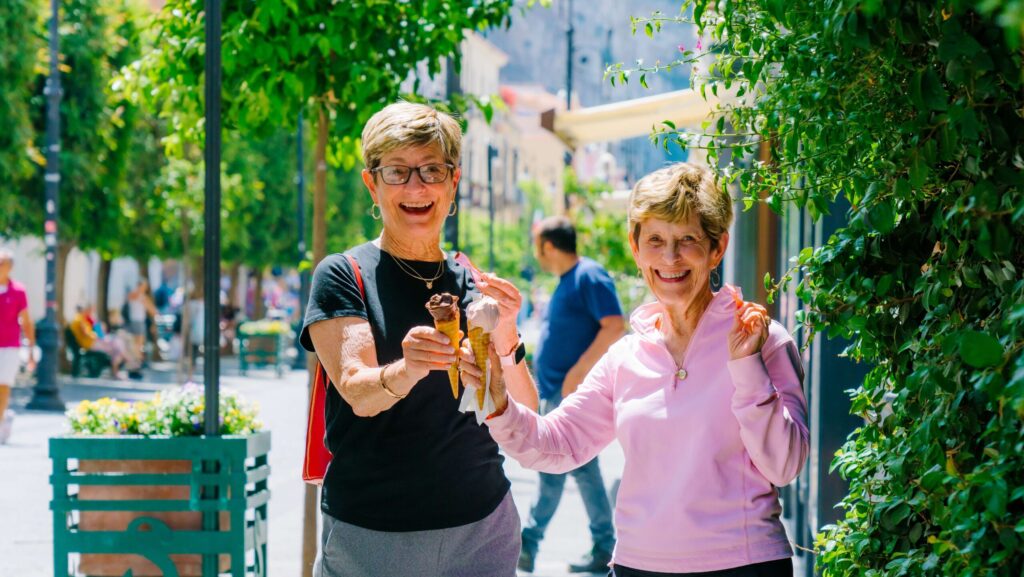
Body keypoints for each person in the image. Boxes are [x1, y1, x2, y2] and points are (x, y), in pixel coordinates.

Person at [461, 162, 810, 577]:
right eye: (656, 240)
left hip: (744, 565)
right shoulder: (626, 357)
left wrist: (745, 366)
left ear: (717, 248)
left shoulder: (763, 340)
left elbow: (784, 465)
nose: (669, 258)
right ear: (635, 246)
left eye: (687, 240)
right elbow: (552, 445)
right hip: (636, 566)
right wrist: (497, 396)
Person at [300, 101, 539, 577]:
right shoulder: (345, 275)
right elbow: (358, 390)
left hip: (481, 530)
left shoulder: (474, 283)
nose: (416, 186)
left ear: (454, 182)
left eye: (432, 169)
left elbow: (527, 413)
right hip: (372, 536)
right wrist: (407, 368)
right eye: (397, 172)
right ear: (372, 183)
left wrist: (507, 341)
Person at [518, 216, 626, 574]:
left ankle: (530, 545)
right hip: (557, 394)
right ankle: (602, 546)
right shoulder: (567, 281)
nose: (537, 254)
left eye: (537, 246)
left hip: (572, 396)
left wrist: (578, 372)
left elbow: (615, 325)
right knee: (576, 470)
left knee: (557, 468)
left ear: (548, 246)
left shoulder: (588, 276)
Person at [0, 249, 35, 445]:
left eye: (1, 263)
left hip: (9, 346)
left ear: (9, 267)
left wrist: (31, 350)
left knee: (3, 385)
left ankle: (1, 419)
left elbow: (27, 322)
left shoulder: (18, 291)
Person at [69, 303, 130, 380]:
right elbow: (87, 333)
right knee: (116, 345)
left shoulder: (86, 318)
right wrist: (96, 334)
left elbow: (99, 331)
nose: (91, 312)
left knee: (116, 344)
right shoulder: (80, 319)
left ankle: (118, 366)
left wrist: (96, 326)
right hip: (90, 343)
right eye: (91, 310)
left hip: (93, 342)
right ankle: (120, 365)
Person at [125, 279, 157, 366]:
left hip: (137, 321)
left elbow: (153, 311)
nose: (145, 289)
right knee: (137, 344)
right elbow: (153, 311)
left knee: (138, 344)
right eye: (144, 286)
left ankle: (136, 362)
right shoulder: (139, 296)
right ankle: (136, 362)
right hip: (136, 321)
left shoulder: (140, 296)